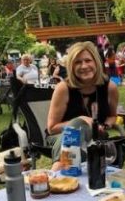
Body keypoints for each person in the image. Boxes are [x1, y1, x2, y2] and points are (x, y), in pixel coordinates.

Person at [47, 41, 118, 170]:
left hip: (95, 137)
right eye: (78, 62)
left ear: (96, 62)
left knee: (86, 147)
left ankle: (59, 173)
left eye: (88, 60)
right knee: (76, 128)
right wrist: (81, 120)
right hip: (60, 137)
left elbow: (112, 116)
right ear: (71, 67)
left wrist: (104, 126)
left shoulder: (110, 88)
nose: (84, 66)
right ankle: (59, 167)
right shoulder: (63, 89)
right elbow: (52, 128)